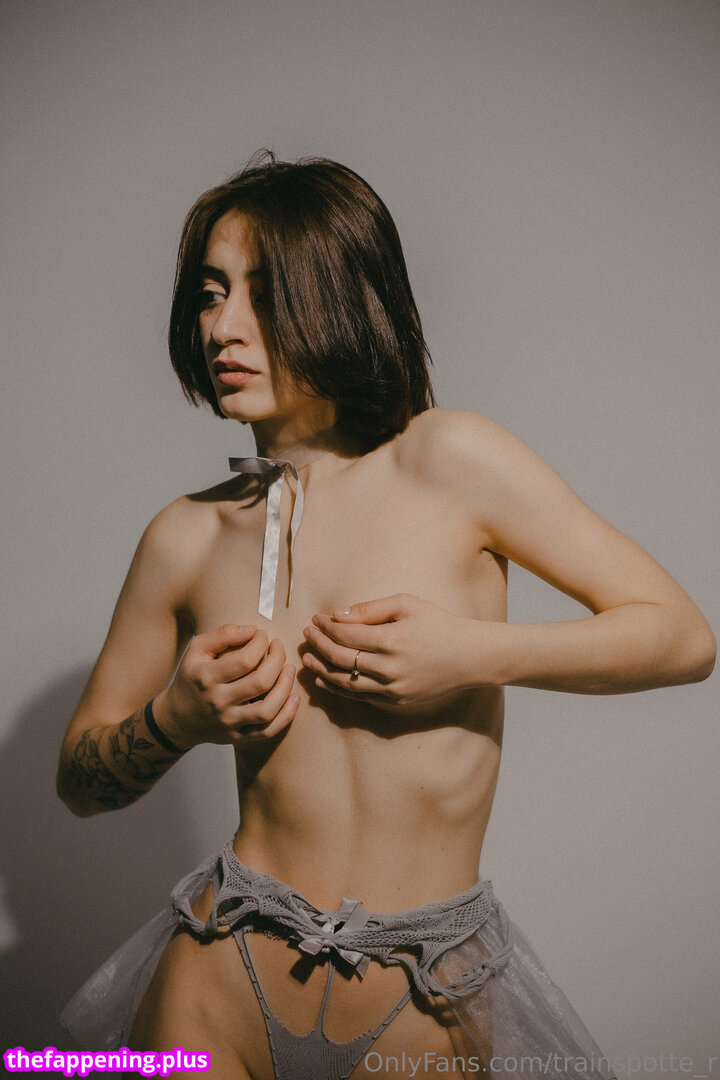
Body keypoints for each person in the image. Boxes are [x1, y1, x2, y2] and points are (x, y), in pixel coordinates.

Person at [58, 154, 715, 1080]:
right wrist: (175, 718)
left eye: (263, 294)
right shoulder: (186, 537)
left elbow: (682, 636)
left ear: (339, 297)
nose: (222, 326)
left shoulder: (451, 460)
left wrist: (469, 652)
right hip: (219, 978)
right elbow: (80, 782)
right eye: (211, 293)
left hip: (425, 991)